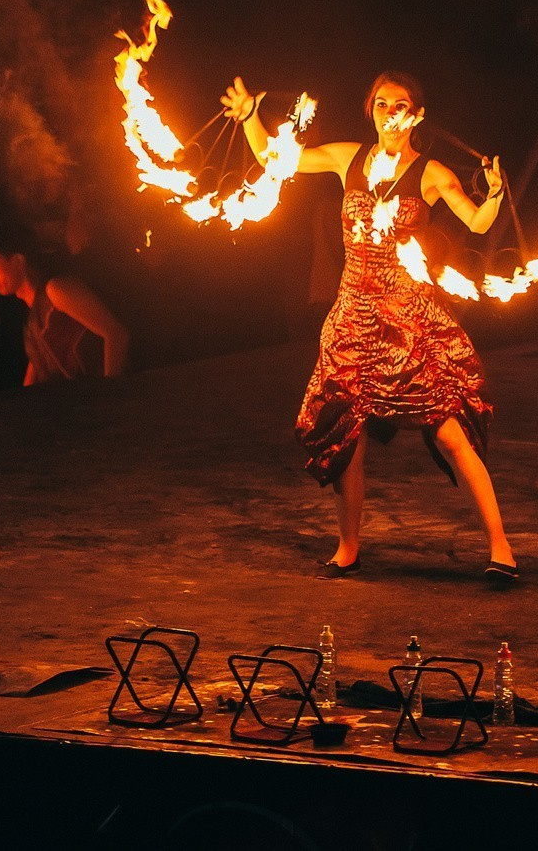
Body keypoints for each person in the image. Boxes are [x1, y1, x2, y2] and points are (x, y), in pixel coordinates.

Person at [222, 70, 518, 584]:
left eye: (399, 104)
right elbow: (278, 159)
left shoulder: (430, 173)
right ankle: (348, 547)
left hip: (407, 321)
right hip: (353, 316)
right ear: (372, 111)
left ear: (416, 116)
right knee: (346, 433)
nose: (389, 113)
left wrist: (493, 194)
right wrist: (251, 116)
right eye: (380, 104)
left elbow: (477, 223)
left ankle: (502, 549)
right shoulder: (347, 158)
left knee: (448, 432)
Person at [0, 236, 131, 384]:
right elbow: (36, 370)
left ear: (18, 261)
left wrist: (109, 395)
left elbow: (116, 334)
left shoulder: (56, 290)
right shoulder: (33, 320)